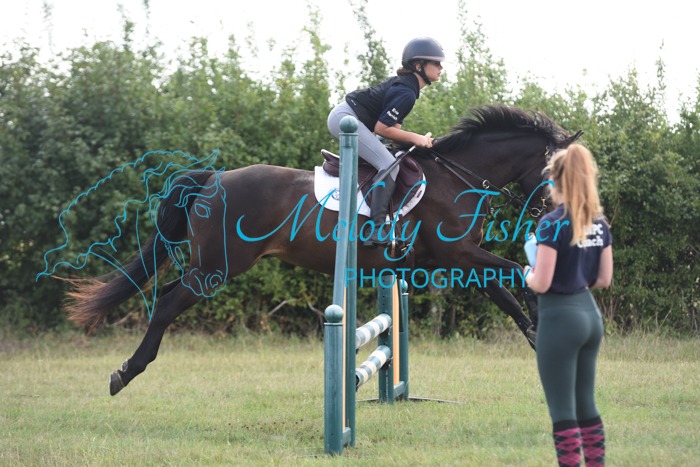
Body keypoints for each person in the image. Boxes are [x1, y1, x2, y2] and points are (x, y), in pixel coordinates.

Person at [524, 143, 613, 467]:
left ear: (555, 181)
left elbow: (542, 282)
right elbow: (603, 279)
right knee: (586, 405)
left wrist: (526, 273)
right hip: (590, 317)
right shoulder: (599, 223)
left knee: (562, 410)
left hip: (559, 319)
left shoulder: (551, 223)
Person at [327, 37, 444, 247]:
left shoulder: (408, 89)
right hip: (345, 119)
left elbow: (392, 129)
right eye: (436, 63)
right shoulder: (406, 92)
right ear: (419, 66)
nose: (441, 68)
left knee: (389, 159)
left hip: (349, 118)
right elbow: (382, 129)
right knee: (389, 164)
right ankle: (376, 229)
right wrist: (417, 138)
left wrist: (415, 139)